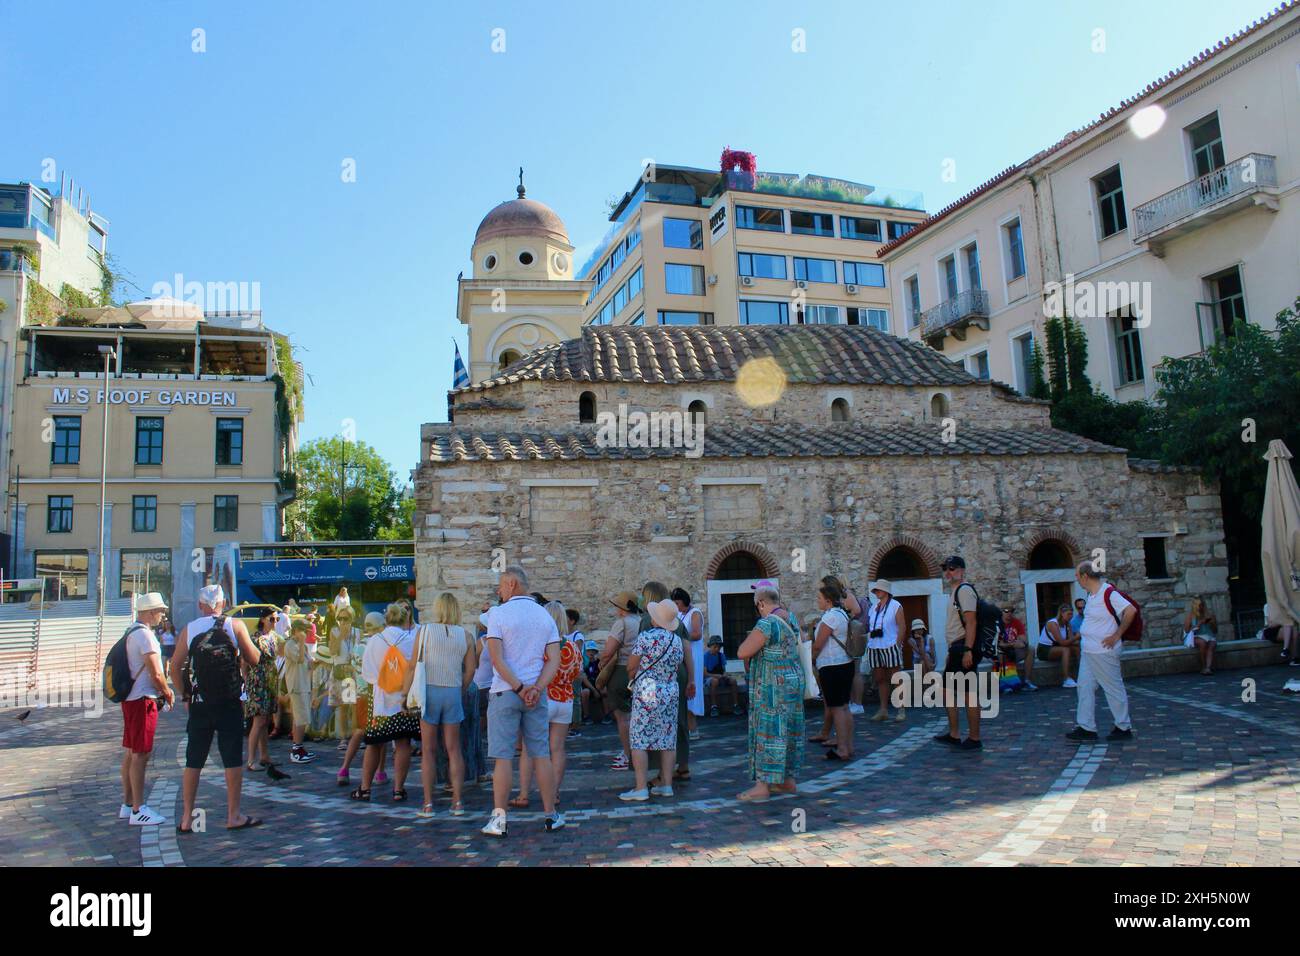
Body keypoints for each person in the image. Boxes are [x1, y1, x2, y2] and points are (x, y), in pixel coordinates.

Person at [170, 584, 263, 832]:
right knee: (232, 759)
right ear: (224, 604)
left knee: (194, 759)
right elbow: (255, 659)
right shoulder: (235, 625)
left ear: (201, 605)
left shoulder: (190, 629)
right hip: (229, 702)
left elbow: (174, 666)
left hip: (201, 703)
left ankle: (187, 818)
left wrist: (186, 696)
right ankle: (233, 816)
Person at [480, 566, 565, 837]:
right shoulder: (544, 615)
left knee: (503, 757)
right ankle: (551, 815)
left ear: (512, 584)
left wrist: (518, 688)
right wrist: (536, 688)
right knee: (541, 753)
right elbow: (555, 659)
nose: (499, 591)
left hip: (506, 691)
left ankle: (499, 819)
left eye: (502, 586)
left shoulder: (499, 614)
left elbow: (497, 658)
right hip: (535, 695)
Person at [403, 592, 475, 817]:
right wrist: (459, 689)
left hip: (429, 691)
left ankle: (428, 804)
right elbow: (471, 670)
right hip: (452, 691)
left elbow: (413, 665)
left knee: (428, 750)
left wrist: (405, 694)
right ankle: (457, 802)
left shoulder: (424, 631)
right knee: (454, 750)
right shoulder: (466, 635)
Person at [737, 585, 804, 801]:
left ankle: (762, 785)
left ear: (762, 603)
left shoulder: (767, 623)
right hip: (793, 681)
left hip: (772, 685)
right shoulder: (791, 618)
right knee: (789, 729)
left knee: (769, 731)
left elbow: (743, 651)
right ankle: (787, 781)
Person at [352, 602, 420, 801]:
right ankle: (399, 789)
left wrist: (383, 682)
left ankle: (365, 788)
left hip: (380, 699)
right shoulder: (409, 640)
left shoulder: (374, 641)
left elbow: (368, 673)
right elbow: (415, 668)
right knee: (403, 743)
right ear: (403, 619)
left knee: (374, 743)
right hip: (403, 699)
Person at [516, 601, 582, 806]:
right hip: (565, 701)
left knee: (529, 748)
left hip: (544, 698)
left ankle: (524, 794)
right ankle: (554, 793)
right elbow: (578, 673)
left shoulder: (540, 645)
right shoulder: (571, 646)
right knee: (557, 748)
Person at [620, 599, 686, 802]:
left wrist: (634, 677)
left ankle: (641, 787)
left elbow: (631, 665)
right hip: (669, 689)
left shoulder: (646, 637)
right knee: (667, 737)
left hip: (648, 687)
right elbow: (677, 666)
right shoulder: (676, 640)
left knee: (639, 736)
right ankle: (666, 785)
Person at [118, 593, 174, 826]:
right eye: (160, 610)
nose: (163, 615)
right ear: (150, 612)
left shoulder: (131, 631)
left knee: (132, 751)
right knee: (141, 753)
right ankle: (139, 808)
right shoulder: (146, 636)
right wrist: (167, 692)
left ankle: (128, 803)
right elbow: (156, 672)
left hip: (131, 698)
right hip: (143, 699)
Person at [1066, 560, 1136, 742]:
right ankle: (1086, 727)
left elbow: (1130, 611)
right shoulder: (1091, 595)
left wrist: (1116, 635)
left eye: (1077, 575)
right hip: (1089, 651)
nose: (1076, 579)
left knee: (1113, 688)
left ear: (1085, 576)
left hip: (1103, 651)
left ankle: (1123, 726)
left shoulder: (1108, 592)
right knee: (1084, 686)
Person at [640, 581, 695, 787]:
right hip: (677, 674)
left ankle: (662, 774)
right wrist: (691, 678)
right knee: (679, 719)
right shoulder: (677, 621)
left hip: (653, 678)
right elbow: (687, 650)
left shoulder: (647, 619)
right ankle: (683, 766)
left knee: (653, 721)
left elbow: (641, 652)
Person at [934, 556, 983, 751]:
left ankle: (974, 737)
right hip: (957, 647)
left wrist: (968, 650)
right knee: (948, 691)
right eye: (945, 568)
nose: (948, 572)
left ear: (962, 570)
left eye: (952, 568)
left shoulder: (964, 591)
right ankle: (954, 734)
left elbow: (971, 622)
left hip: (964, 646)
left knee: (968, 693)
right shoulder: (956, 591)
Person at [338, 611, 387, 786]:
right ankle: (380, 772)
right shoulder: (381, 645)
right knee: (381, 735)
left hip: (360, 694)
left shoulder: (358, 646)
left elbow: (351, 671)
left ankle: (344, 768)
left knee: (358, 732)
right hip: (376, 695)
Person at [598, 591, 642, 771]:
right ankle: (641, 753)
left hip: (622, 670)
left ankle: (628, 754)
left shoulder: (621, 624)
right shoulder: (642, 621)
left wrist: (602, 664)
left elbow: (609, 651)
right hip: (642, 671)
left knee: (622, 716)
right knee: (637, 714)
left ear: (622, 608)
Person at [812, 583, 855, 761]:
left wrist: (811, 660)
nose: (818, 601)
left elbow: (818, 644)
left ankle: (842, 748)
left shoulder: (829, 618)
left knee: (837, 708)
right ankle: (848, 745)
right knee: (844, 707)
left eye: (820, 598)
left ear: (828, 600)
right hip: (846, 663)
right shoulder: (843, 614)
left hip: (831, 666)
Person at [243, 607, 280, 773]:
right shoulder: (255, 638)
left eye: (277, 619)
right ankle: (251, 759)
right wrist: (246, 681)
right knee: (258, 722)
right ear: (263, 619)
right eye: (272, 619)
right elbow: (244, 663)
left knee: (265, 721)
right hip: (258, 682)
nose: (275, 622)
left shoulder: (272, 637)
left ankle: (265, 756)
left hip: (270, 681)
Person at [865, 580, 907, 721]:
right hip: (875, 646)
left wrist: (897, 645)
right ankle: (883, 710)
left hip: (890, 645)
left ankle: (901, 709)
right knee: (880, 678)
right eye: (875, 590)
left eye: (878, 590)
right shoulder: (873, 608)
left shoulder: (896, 606)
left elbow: (902, 627)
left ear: (885, 591)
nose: (876, 592)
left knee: (895, 678)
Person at [282, 619, 318, 763]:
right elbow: (301, 659)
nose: (305, 634)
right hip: (296, 686)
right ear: (296, 630)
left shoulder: (303, 646)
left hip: (304, 685)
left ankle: (299, 748)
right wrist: (303, 643)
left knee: (301, 718)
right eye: (303, 631)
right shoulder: (290, 645)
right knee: (301, 718)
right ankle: (296, 750)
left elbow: (308, 664)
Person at [672, 588, 706, 741]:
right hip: (682, 656)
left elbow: (697, 634)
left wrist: (680, 637)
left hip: (693, 655)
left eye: (677, 602)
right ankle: (684, 728)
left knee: (692, 688)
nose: (676, 605)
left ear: (684, 601)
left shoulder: (695, 613)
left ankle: (693, 728)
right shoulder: (679, 614)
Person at [1037, 604, 1079, 687]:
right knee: (1065, 650)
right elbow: (1063, 642)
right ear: (1062, 614)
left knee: (1076, 648)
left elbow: (1071, 640)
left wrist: (1078, 641)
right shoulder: (1053, 624)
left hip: (1058, 647)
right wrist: (1076, 637)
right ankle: (1066, 679)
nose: (1070, 616)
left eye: (1071, 614)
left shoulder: (1068, 624)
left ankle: (1081, 674)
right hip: (1045, 649)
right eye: (1068, 614)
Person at [998, 606, 1037, 691]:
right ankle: (1005, 684)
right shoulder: (997, 624)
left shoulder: (1016, 622)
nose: (1009, 613)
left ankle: (1027, 681)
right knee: (1001, 652)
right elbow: (999, 644)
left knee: (1030, 649)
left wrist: (1022, 643)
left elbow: (1023, 638)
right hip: (999, 653)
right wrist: (1013, 644)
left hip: (1013, 651)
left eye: (1011, 611)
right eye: (1006, 611)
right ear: (1001, 612)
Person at [703, 636, 738, 715]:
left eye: (718, 647)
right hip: (709, 678)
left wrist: (725, 675)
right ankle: (714, 706)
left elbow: (724, 670)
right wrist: (716, 676)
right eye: (715, 647)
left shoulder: (721, 655)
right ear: (710, 646)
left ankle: (735, 705)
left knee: (733, 681)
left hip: (720, 676)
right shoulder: (705, 656)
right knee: (714, 681)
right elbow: (705, 673)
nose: (717, 649)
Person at [1185, 596, 1219, 676]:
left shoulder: (1209, 615)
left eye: (1202, 605)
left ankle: (1208, 668)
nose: (1200, 607)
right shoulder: (1190, 616)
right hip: (1197, 636)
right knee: (1202, 643)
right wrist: (1199, 624)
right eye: (1198, 605)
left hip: (1209, 636)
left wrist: (1212, 623)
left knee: (1212, 645)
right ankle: (1203, 666)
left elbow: (1215, 631)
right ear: (1194, 606)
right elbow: (1186, 631)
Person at [309, 647, 335, 740]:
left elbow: (333, 688)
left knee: (326, 701)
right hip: (321, 692)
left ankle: (322, 730)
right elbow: (315, 688)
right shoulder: (319, 669)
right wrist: (314, 699)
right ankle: (312, 730)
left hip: (333, 693)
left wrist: (319, 698)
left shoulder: (334, 669)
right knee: (310, 702)